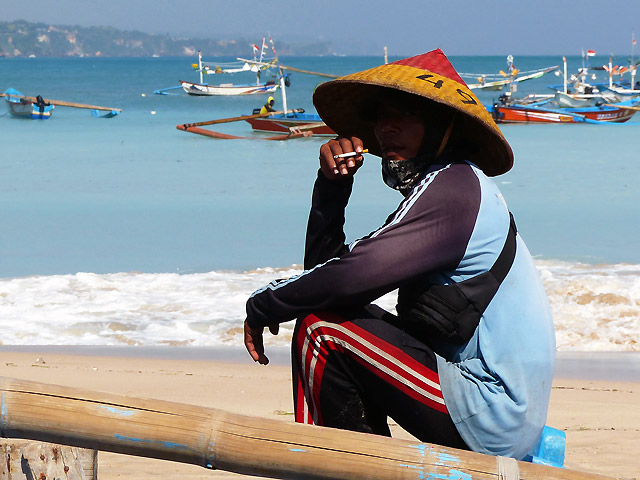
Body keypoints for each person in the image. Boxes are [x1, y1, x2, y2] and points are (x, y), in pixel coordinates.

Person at [243, 49, 555, 460]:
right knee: (323, 317)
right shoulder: (441, 191)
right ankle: (365, 464)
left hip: (493, 410)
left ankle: (344, 468)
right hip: (487, 405)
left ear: (442, 125)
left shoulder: (455, 189)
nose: (385, 128)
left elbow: (346, 279)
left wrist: (264, 303)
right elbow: (331, 281)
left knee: (321, 330)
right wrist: (332, 187)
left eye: (403, 115)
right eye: (379, 117)